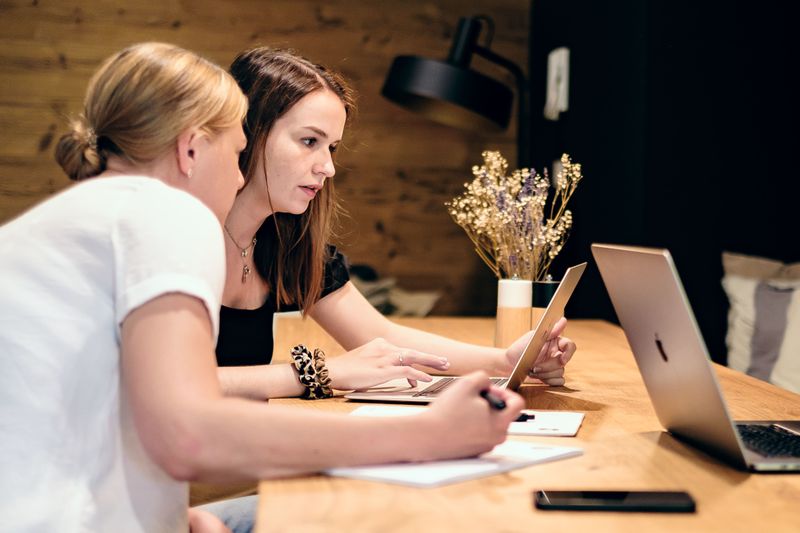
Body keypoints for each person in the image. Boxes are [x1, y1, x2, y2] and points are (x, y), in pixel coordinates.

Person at [0, 43, 523, 533]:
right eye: (234, 154)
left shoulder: (92, 217)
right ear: (190, 150)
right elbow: (187, 434)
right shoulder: (164, 213)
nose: (235, 177)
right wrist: (423, 437)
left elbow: (120, 413)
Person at [213, 47, 576, 401]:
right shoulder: (183, 238)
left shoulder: (285, 242)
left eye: (332, 148)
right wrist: (321, 372)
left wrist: (505, 361)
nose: (328, 167)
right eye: (310, 141)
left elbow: (379, 335)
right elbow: (163, 386)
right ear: (249, 133)